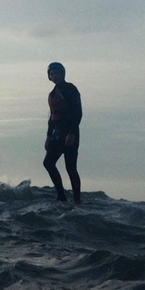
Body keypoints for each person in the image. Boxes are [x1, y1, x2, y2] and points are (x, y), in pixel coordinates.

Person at [43, 62, 82, 204]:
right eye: (52, 73)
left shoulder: (70, 89)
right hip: (57, 133)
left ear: (63, 74)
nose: (54, 76)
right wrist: (48, 136)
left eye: (57, 73)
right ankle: (61, 195)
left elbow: (78, 112)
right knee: (48, 163)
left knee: (70, 167)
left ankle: (77, 199)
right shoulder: (52, 94)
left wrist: (71, 133)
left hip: (70, 131)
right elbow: (52, 117)